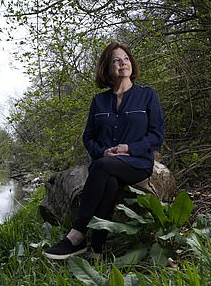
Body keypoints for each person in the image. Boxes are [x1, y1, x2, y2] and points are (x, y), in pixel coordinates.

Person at [43, 41, 165, 260]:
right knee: (107, 179)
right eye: (116, 60)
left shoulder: (147, 95)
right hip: (107, 164)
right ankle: (97, 249)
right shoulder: (99, 101)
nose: (123, 63)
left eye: (126, 58)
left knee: (100, 167)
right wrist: (102, 152)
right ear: (107, 68)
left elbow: (157, 136)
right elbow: (88, 138)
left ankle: (76, 234)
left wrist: (130, 148)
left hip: (137, 164)